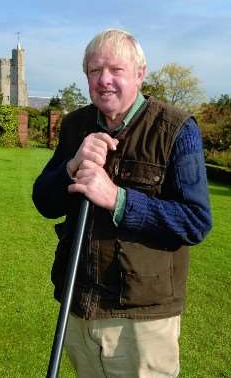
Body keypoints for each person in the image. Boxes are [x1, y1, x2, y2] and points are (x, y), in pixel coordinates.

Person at [32, 29, 212, 378]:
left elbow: (195, 221)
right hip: (78, 304)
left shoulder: (176, 129)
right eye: (94, 71)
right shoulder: (75, 126)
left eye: (116, 69)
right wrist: (71, 167)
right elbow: (44, 201)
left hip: (142, 319)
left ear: (140, 73)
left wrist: (117, 199)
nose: (104, 80)